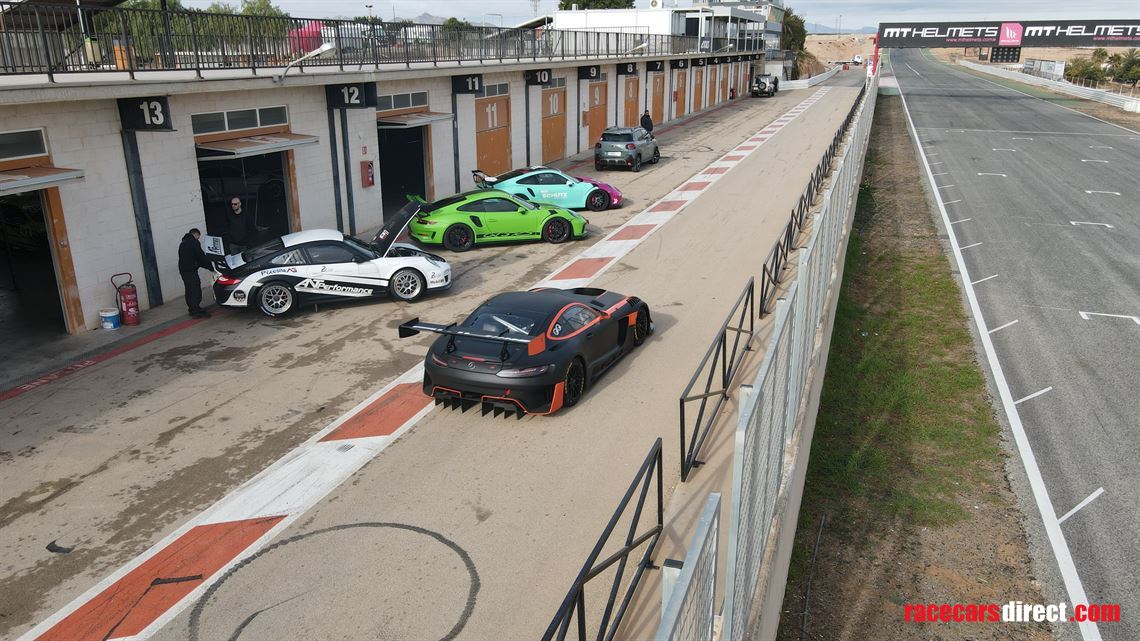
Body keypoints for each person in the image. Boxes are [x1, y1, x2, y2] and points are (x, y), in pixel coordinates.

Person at [178, 228, 214, 318]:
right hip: (191, 270)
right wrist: (211, 267)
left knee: (189, 289)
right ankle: (195, 310)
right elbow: (200, 257)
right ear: (196, 235)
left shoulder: (182, 243)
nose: (198, 239)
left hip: (183, 271)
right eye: (198, 237)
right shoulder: (194, 242)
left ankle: (192, 308)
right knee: (195, 289)